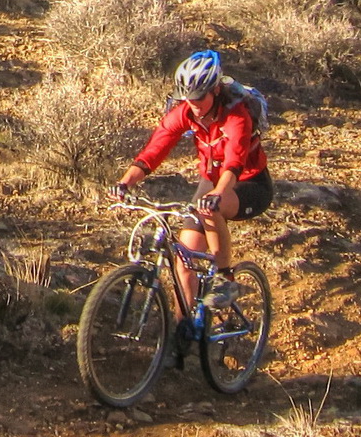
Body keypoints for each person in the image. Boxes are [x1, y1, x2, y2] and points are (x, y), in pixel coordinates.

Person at [110, 50, 274, 312]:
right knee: (184, 261)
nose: (194, 104)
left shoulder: (236, 116)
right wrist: (125, 182)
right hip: (211, 182)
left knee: (212, 209)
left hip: (249, 183)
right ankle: (182, 334)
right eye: (188, 99)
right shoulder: (185, 112)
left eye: (199, 98)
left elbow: (235, 161)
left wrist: (218, 193)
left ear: (215, 91)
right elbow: (155, 149)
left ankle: (224, 278)